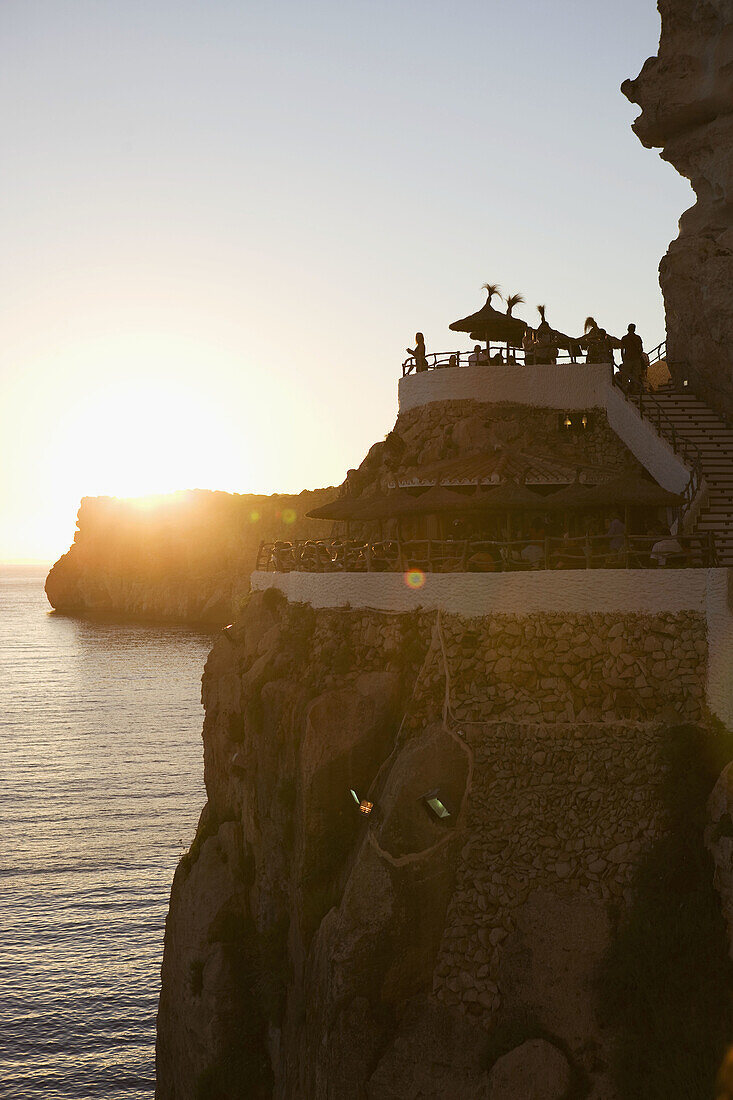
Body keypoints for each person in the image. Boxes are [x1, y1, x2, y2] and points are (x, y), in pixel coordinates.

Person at [620, 323, 645, 389]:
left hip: (627, 359)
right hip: (636, 359)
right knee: (635, 376)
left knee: (625, 375)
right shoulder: (637, 338)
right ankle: (635, 389)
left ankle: (625, 388)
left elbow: (622, 349)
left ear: (628, 329)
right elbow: (641, 349)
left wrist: (623, 358)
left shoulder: (625, 338)